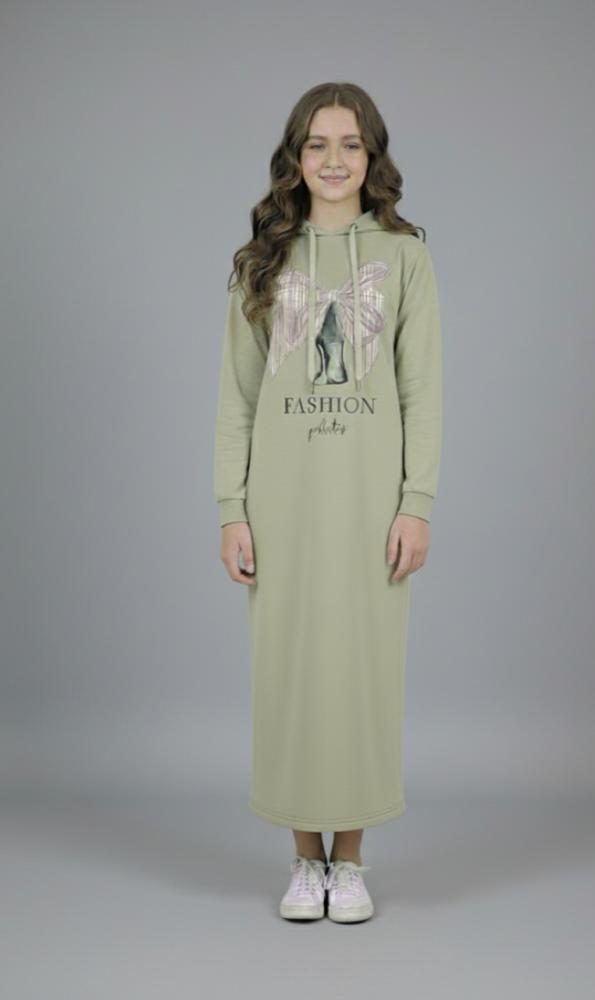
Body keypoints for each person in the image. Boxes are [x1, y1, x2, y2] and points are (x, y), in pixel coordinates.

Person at [213, 81, 442, 923]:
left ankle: (350, 861)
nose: (334, 160)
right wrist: (232, 508)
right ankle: (303, 859)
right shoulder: (262, 263)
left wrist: (416, 502)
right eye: (318, 144)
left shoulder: (405, 259)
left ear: (372, 156)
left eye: (351, 144)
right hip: (282, 505)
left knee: (360, 672)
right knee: (291, 672)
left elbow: (422, 392)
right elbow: (238, 398)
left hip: (371, 505)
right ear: (296, 157)